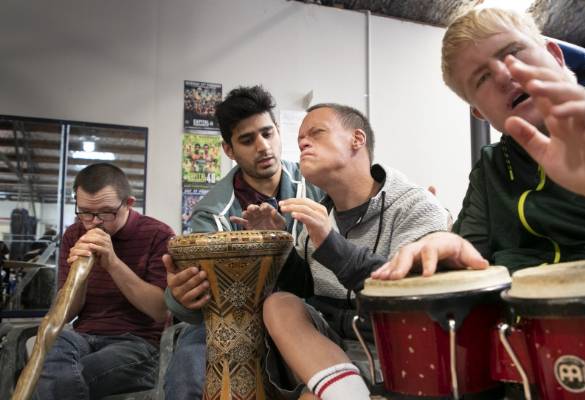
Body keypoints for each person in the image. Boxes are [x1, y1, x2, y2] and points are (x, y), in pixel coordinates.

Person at [371, 4, 585, 393]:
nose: (503, 74)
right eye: (481, 78)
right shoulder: (493, 167)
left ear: (554, 55)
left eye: (512, 53)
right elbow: (472, 254)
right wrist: (448, 246)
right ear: (480, 113)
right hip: (526, 362)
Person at [263, 103, 449, 399]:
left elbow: (408, 296)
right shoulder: (316, 215)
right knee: (279, 303)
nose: (303, 143)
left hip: (392, 350)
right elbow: (299, 288)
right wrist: (275, 242)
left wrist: (330, 242)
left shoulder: (417, 206)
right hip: (328, 352)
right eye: (299, 141)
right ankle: (344, 390)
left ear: (357, 140)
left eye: (316, 133)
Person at [162, 85, 322, 400]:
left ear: (278, 132)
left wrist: (279, 246)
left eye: (267, 133)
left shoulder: (316, 187)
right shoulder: (211, 213)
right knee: (189, 365)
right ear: (229, 150)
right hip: (229, 319)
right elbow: (198, 308)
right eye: (247, 140)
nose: (263, 147)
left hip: (303, 313)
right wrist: (180, 297)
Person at [33, 163, 173, 399]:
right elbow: (65, 314)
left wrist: (113, 264)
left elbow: (160, 311)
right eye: (85, 212)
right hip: (82, 336)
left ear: (129, 203)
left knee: (59, 379)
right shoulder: (74, 234)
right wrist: (80, 275)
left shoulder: (159, 235)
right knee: (48, 350)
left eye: (106, 212)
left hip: (138, 343)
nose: (94, 222)